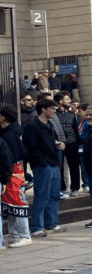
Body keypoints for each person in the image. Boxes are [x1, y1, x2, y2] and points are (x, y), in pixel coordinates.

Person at [23, 97, 65, 237]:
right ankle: (36, 227)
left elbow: (52, 141)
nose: (54, 111)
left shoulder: (50, 124)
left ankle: (51, 223)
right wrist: (41, 161)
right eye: (52, 108)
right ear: (43, 109)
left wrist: (60, 144)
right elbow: (30, 147)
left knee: (54, 195)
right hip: (42, 165)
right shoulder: (32, 126)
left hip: (53, 163)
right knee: (42, 196)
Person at [0, 106, 31, 247]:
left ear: (4, 117)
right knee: (10, 205)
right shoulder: (13, 132)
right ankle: (15, 234)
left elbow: (9, 157)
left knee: (17, 204)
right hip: (15, 172)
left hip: (12, 173)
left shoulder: (9, 135)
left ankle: (24, 235)